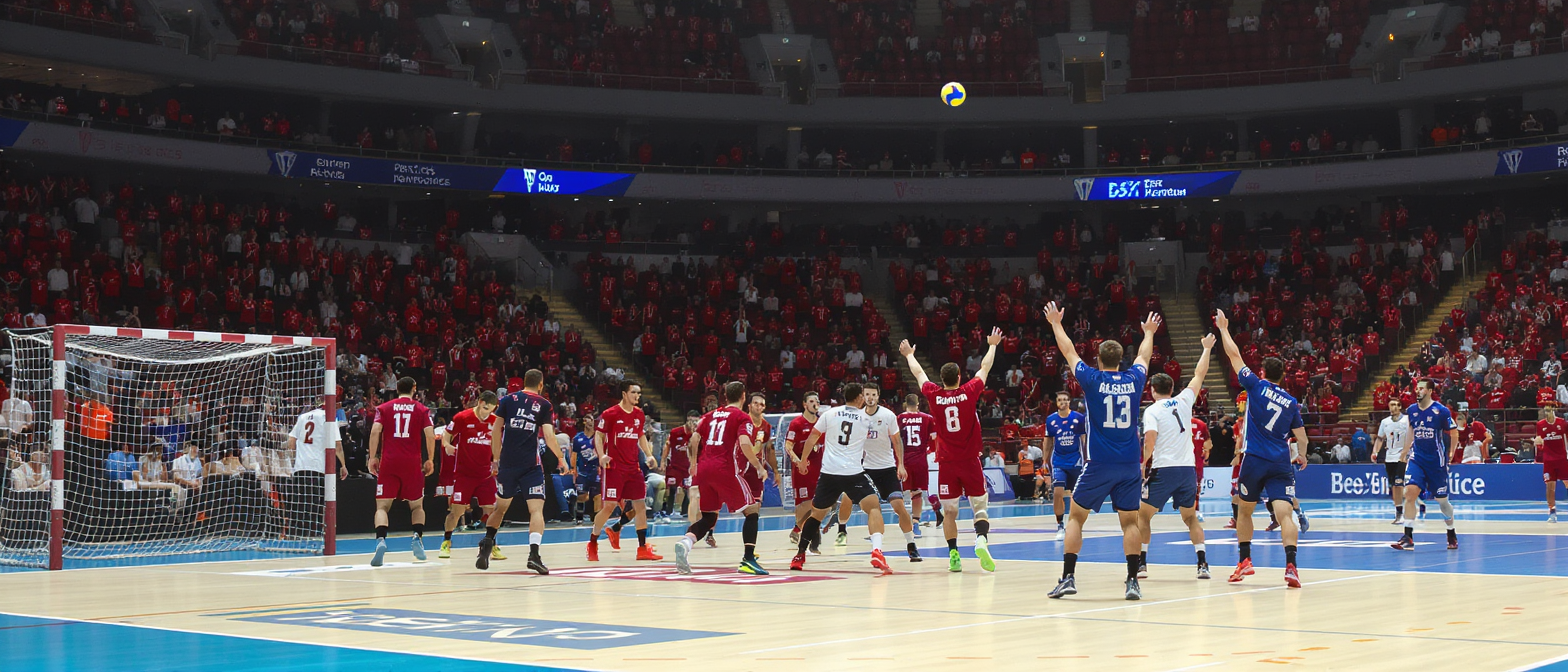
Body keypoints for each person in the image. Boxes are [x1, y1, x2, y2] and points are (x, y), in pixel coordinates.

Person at [1045, 303, 1161, 600]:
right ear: (1122, 360)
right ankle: (1132, 581)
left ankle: (1068, 577)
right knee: (1129, 522)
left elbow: (1068, 351)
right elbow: (1144, 356)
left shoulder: (1092, 379)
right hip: (1129, 463)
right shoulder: (1135, 379)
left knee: (1075, 517)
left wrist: (1056, 323)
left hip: (1098, 463)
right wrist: (1149, 332)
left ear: (1098, 360)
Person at [1214, 309, 1308, 588]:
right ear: (1284, 376)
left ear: (1264, 372)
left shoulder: (1255, 386)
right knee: (1284, 514)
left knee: (1244, 511)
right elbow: (1302, 437)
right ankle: (1291, 566)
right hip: (1280, 462)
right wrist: (1302, 455)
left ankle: (1245, 560)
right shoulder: (1291, 402)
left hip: (1254, 459)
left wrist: (1224, 329)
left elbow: (1234, 355)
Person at [901, 327, 1004, 573]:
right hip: (970, 461)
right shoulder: (968, 392)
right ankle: (981, 540)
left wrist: (909, 355)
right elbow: (985, 367)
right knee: (980, 507)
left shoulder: (934, 395)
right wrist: (992, 345)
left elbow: (919, 374)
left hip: (947, 463)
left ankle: (954, 555)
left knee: (949, 512)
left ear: (942, 379)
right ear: (959, 377)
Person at [789, 382, 893, 574]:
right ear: (860, 397)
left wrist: (803, 461)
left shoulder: (829, 414)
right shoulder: (866, 418)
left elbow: (812, 437)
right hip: (853, 473)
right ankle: (877, 551)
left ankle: (799, 555)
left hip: (829, 473)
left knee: (816, 515)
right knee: (873, 507)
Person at [1137, 334, 1217, 581]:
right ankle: (1202, 564)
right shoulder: (1184, 401)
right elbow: (1199, 374)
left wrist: (1142, 464)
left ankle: (1141, 564)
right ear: (1172, 389)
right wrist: (1206, 349)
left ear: (1152, 391)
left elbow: (1150, 440)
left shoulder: (1152, 411)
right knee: (1190, 517)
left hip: (1165, 470)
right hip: (1187, 471)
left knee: (1143, 515)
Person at [479, 369, 565, 574]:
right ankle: (534, 554)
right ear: (541, 384)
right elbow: (549, 436)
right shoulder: (544, 404)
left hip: (508, 464)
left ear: (523, 382)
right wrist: (561, 458)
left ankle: (487, 542)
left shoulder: (508, 400)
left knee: (500, 508)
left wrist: (496, 459)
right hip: (530, 466)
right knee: (536, 510)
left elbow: (495, 431)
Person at [674, 381, 764, 575]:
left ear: (725, 397)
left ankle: (686, 542)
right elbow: (744, 443)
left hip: (704, 469)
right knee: (752, 510)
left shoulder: (709, 416)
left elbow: (694, 439)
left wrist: (693, 463)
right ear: (743, 397)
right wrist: (758, 466)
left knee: (709, 517)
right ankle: (748, 559)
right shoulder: (742, 417)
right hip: (725, 469)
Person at [588, 381, 661, 562]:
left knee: (640, 506)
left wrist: (649, 455)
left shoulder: (639, 414)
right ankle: (593, 542)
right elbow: (599, 435)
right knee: (609, 506)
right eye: (634, 392)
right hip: (614, 468)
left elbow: (640, 435)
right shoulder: (610, 414)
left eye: (639, 393)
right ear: (624, 394)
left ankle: (642, 548)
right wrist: (601, 455)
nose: (637, 396)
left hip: (633, 467)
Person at [367, 377, 436, 567]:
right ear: (414, 389)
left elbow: (375, 431)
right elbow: (430, 434)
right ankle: (417, 538)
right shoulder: (422, 409)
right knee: (417, 506)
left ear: (396, 389)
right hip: (412, 462)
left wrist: (372, 457)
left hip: (389, 461)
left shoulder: (384, 408)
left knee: (382, 507)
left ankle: (381, 540)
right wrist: (430, 458)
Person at [1392, 379, 1461, 552]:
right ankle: (1408, 537)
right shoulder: (1411, 410)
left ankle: (1451, 531)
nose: (1418, 391)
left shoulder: (1441, 411)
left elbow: (1454, 433)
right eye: (1417, 388)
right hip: (1417, 458)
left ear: (1430, 391)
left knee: (1442, 501)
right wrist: (1405, 451)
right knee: (1409, 493)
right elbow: (1411, 431)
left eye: (1422, 388)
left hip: (1436, 461)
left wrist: (1451, 453)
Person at [437, 392, 506, 562]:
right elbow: (446, 434)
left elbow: (497, 444)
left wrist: (496, 461)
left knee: (491, 511)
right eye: (484, 408)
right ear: (479, 402)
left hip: (485, 474)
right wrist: (447, 445)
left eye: (490, 410)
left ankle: (492, 544)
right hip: (464, 474)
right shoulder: (462, 417)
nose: (486, 413)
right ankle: (446, 542)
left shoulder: (495, 421)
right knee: (456, 511)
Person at [859, 383, 917, 562]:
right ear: (863, 396)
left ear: (878, 396)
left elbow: (897, 441)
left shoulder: (888, 415)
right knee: (872, 509)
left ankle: (911, 543)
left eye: (873, 394)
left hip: (887, 468)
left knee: (899, 507)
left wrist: (901, 465)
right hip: (866, 470)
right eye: (867, 394)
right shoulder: (858, 417)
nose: (870, 398)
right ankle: (871, 545)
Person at [1044, 390, 1087, 540]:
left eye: (1065, 400)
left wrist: (1088, 459)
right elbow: (1048, 441)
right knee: (1057, 492)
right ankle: (1060, 525)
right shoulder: (1051, 420)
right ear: (1056, 403)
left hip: (1076, 461)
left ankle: (1074, 523)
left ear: (1069, 402)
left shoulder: (1079, 418)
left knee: (1077, 496)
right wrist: (1044, 460)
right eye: (1060, 400)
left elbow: (1084, 440)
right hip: (1059, 462)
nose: (1063, 402)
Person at [785, 391, 824, 550]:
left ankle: (809, 534)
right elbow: (788, 446)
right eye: (812, 401)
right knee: (804, 503)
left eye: (817, 401)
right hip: (803, 470)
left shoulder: (822, 422)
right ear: (805, 404)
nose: (815, 404)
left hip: (820, 468)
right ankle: (801, 531)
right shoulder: (796, 423)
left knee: (820, 503)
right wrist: (798, 462)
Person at [897, 394, 936, 532]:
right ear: (918, 404)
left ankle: (903, 521)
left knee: (898, 494)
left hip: (903, 460)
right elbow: (934, 438)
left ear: (905, 404)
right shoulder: (927, 418)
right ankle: (915, 523)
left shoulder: (899, 418)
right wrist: (930, 450)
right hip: (920, 460)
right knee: (917, 492)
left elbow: (894, 440)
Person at [1375, 400, 1411, 524]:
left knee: (1399, 483)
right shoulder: (1385, 422)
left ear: (1400, 407)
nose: (1393, 407)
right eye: (1391, 405)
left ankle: (1402, 512)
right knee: (1394, 486)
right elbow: (1380, 438)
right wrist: (1375, 452)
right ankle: (1400, 510)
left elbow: (1412, 436)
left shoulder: (1407, 420)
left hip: (1403, 456)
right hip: (1389, 457)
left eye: (1396, 405)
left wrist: (1407, 452)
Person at [1532, 406, 1567, 523]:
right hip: (1548, 460)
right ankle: (1552, 512)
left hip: (1562, 458)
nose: (1547, 413)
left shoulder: (1562, 423)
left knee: (1567, 483)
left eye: (1549, 410)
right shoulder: (1540, 424)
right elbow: (1539, 439)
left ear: (1553, 411)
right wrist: (1538, 442)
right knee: (1550, 486)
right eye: (1545, 411)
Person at [661, 411, 699, 520]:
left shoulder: (696, 434)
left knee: (689, 490)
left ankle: (684, 512)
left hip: (688, 467)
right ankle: (668, 512)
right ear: (687, 419)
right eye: (692, 420)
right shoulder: (675, 432)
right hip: (675, 466)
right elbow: (667, 446)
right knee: (672, 488)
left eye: (696, 421)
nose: (693, 423)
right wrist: (663, 461)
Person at [570, 422, 600, 524]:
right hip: (582, 471)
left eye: (591, 419)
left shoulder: (599, 437)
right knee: (583, 496)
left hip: (596, 470)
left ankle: (597, 520)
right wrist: (573, 469)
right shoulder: (577, 438)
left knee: (598, 496)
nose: (589, 422)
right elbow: (574, 455)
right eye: (587, 419)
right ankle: (579, 517)